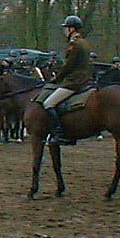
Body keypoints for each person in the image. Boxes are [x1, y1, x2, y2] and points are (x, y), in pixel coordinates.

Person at [42, 15, 92, 145]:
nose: (64, 31)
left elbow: (68, 66)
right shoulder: (84, 42)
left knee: (48, 104)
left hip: (73, 82)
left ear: (71, 29)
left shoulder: (74, 44)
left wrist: (56, 79)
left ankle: (59, 135)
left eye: (66, 28)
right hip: (84, 80)